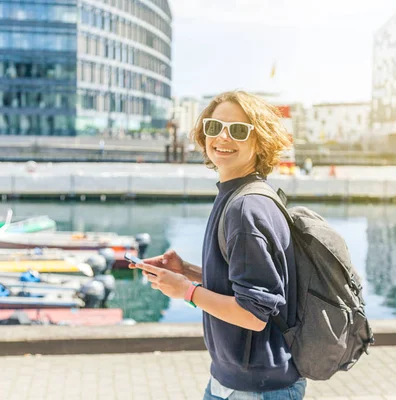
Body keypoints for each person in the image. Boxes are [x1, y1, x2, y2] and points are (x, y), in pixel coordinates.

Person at [129, 90, 305, 399]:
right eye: (214, 126)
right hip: (236, 382)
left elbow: (253, 314)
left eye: (238, 130)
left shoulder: (244, 209)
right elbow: (246, 283)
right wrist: (188, 271)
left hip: (255, 389)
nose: (222, 137)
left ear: (260, 142)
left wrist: (185, 290)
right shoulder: (242, 194)